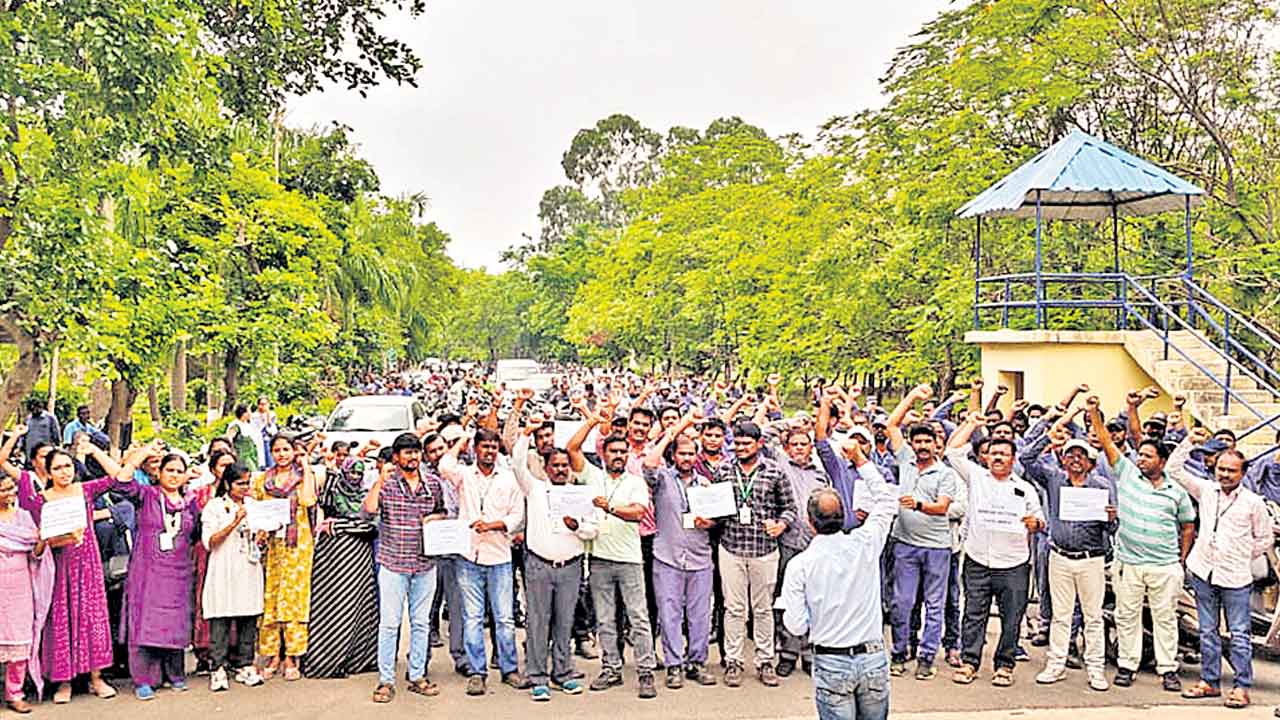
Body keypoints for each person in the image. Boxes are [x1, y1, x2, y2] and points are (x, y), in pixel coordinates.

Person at [779, 435, 897, 720]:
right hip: (872, 658)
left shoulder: (800, 565)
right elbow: (885, 499)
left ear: (810, 523)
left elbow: (795, 625)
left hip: (832, 659)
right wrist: (860, 459)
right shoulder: (866, 543)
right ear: (844, 514)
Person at [1089, 393, 1194, 692]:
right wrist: (1095, 412)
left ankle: (1168, 669)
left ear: (1162, 461)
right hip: (1129, 564)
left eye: (1148, 456)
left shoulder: (1177, 491)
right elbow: (1106, 441)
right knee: (1127, 616)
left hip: (1164, 566)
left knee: (1165, 618)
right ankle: (1127, 665)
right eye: (1140, 455)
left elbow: (1188, 527)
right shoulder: (1127, 474)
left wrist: (1180, 560)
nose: (1141, 459)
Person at [1168, 429, 1271, 709]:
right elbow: (1173, 469)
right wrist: (1189, 441)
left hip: (1236, 576)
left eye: (1231, 471)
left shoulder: (1254, 503)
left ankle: (1241, 687)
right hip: (1203, 571)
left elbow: (1264, 539)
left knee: (1239, 633)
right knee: (1207, 630)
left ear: (1243, 473)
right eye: (1221, 469)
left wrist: (1238, 554)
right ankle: (1210, 682)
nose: (1225, 475)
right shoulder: (1206, 491)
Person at [1019, 408, 1116, 692]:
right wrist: (1047, 437)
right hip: (1059, 555)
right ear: (1062, 459)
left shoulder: (1101, 485)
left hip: (1091, 559)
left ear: (1090, 462)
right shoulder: (1053, 479)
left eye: (1081, 455)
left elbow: (1111, 528)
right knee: (1061, 615)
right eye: (1070, 454)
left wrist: (1111, 519)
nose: (1075, 459)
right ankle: (1056, 664)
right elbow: (1026, 458)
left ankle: (1096, 669)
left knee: (1093, 616)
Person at [946, 414, 1044, 687]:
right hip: (977, 560)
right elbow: (953, 452)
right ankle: (969, 663)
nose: (998, 457)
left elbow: (1039, 519)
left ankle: (1004, 665)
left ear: (1013, 459)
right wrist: (971, 424)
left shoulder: (1024, 490)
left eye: (1004, 453)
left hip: (1013, 564)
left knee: (1011, 619)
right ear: (986, 457)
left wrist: (1034, 523)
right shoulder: (976, 478)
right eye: (993, 453)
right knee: (973, 615)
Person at [16, 443, 118, 703]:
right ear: (48, 472)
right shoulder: (42, 500)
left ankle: (96, 678)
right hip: (59, 567)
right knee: (62, 619)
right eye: (58, 468)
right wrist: (61, 537)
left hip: (89, 564)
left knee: (92, 618)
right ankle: (65, 682)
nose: (64, 472)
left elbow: (118, 476)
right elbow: (41, 539)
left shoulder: (85, 490)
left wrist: (94, 450)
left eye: (68, 466)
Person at [566, 415, 658, 699]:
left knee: (638, 617)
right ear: (604, 454)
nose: (618, 456)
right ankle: (611, 668)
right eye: (613, 451)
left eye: (622, 451)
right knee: (605, 619)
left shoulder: (636, 481)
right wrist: (592, 421)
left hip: (629, 559)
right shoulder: (593, 475)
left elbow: (638, 513)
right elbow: (572, 448)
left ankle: (645, 671)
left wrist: (611, 508)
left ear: (628, 453)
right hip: (599, 559)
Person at [438, 427, 529, 696]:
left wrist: (493, 525)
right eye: (484, 446)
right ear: (475, 449)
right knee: (473, 618)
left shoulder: (509, 479)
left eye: (493, 447)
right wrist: (462, 440)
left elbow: (517, 516)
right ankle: (477, 672)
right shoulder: (465, 475)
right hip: (469, 556)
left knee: (504, 618)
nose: (489, 451)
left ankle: (509, 669)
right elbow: (444, 464)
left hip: (499, 556)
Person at [511, 421, 596, 701]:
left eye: (564, 465)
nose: (560, 469)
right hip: (539, 566)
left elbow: (592, 529)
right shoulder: (534, 489)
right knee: (537, 622)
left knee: (564, 622)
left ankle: (563, 672)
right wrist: (526, 433)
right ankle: (538, 676)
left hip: (570, 567)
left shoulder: (579, 494)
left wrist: (577, 527)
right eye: (555, 465)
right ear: (547, 468)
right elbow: (517, 464)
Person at [363, 433, 447, 703]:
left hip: (425, 565)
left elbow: (443, 511)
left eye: (415, 452)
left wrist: (435, 517)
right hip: (393, 564)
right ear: (396, 457)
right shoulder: (387, 485)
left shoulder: (432, 484)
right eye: (406, 452)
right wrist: (379, 480)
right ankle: (386, 680)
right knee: (389, 624)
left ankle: (417, 676)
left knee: (421, 623)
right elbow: (367, 512)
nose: (412, 457)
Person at [111, 447, 200, 700]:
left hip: (179, 570)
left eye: (179, 472)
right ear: (158, 472)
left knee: (174, 620)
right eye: (169, 470)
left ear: (185, 476)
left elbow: (195, 534)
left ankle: (175, 674)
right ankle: (143, 679)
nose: (174, 476)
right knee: (146, 620)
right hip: (148, 570)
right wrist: (143, 452)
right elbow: (121, 481)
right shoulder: (147, 495)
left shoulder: (189, 502)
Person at [714, 420, 797, 688]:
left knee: (763, 609)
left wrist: (781, 524)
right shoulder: (723, 470)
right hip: (731, 548)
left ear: (759, 444)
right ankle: (733, 661)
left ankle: (765, 661)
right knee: (734, 609)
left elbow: (790, 509)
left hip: (764, 550)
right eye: (736, 443)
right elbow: (715, 509)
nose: (740, 448)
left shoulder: (774, 472)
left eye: (745, 444)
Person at [641, 411, 718, 690]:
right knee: (669, 613)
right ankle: (674, 665)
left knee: (699, 615)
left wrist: (709, 521)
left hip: (699, 557)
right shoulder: (662, 478)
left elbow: (717, 520)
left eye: (690, 454)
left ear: (696, 456)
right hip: (667, 557)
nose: (686, 458)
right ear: (674, 456)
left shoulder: (707, 485)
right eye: (681, 454)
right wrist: (673, 432)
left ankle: (697, 662)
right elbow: (649, 462)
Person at [884, 385, 957, 680]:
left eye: (929, 441)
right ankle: (900, 652)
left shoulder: (946, 474)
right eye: (919, 441)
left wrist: (918, 504)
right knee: (902, 603)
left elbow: (942, 508)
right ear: (912, 444)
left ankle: (927, 656)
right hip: (905, 544)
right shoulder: (906, 462)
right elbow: (891, 425)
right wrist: (913, 396)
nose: (923, 446)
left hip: (937, 548)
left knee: (934, 604)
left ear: (937, 444)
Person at [303, 456, 380, 680]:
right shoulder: (331, 489)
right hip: (330, 557)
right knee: (330, 605)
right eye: (351, 472)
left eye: (359, 473)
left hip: (358, 557)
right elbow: (314, 513)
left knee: (358, 606)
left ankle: (358, 659)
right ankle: (327, 659)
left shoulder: (368, 494)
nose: (354, 477)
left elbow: (371, 525)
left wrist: (338, 525)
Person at [254, 434, 318, 681]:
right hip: (273, 546)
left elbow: (308, 500)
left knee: (294, 600)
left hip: (298, 545)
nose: (281, 454)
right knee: (270, 599)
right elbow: (258, 510)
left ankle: (292, 656)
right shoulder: (263, 481)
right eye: (277, 450)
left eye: (286, 450)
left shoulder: (302, 478)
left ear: (294, 452)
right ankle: (272, 655)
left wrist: (307, 468)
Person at [201, 463, 264, 692]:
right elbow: (210, 542)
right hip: (223, 566)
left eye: (247, 483)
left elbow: (258, 538)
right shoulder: (214, 507)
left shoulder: (254, 506)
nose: (244, 488)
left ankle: (245, 664)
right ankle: (217, 668)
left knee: (248, 614)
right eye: (240, 483)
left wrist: (262, 535)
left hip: (248, 565)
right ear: (227, 484)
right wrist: (235, 521)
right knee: (221, 614)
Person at [0, 474, 53, 714]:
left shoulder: (23, 517)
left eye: (11, 488)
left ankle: (15, 693)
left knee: (20, 639)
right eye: (3, 490)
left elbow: (35, 553)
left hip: (20, 586)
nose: (10, 493)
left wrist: (43, 540)